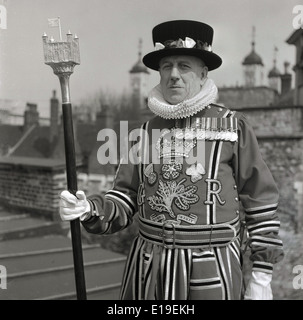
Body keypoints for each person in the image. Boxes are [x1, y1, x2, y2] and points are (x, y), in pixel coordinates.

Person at [59, 20, 284, 300]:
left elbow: (260, 203)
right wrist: (90, 208)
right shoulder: (142, 133)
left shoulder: (233, 127)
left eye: (184, 66)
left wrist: (261, 275)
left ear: (203, 74)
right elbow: (125, 198)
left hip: (211, 268)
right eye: (167, 66)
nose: (173, 75)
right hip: (148, 269)